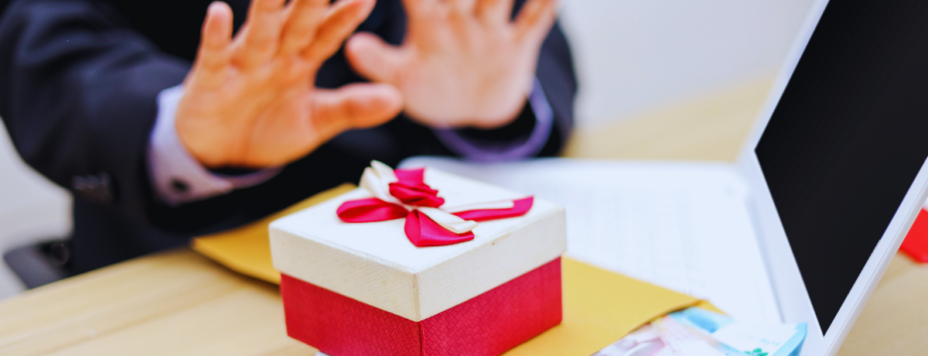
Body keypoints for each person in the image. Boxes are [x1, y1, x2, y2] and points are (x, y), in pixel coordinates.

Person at [0, 0, 576, 274]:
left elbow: (504, 27)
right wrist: (181, 135)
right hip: (188, 257)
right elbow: (46, 47)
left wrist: (492, 107)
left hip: (450, 252)